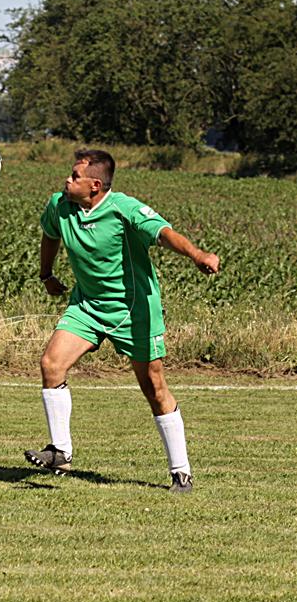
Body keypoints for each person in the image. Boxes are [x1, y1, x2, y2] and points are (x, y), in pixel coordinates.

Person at [25, 148, 220, 493]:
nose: (67, 180)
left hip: (134, 310)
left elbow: (164, 233)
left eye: (74, 176)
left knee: (154, 388)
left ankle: (181, 473)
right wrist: (46, 274)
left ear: (95, 185)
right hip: (87, 306)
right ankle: (60, 451)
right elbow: (50, 235)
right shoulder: (60, 205)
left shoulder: (124, 208)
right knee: (51, 364)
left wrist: (197, 254)